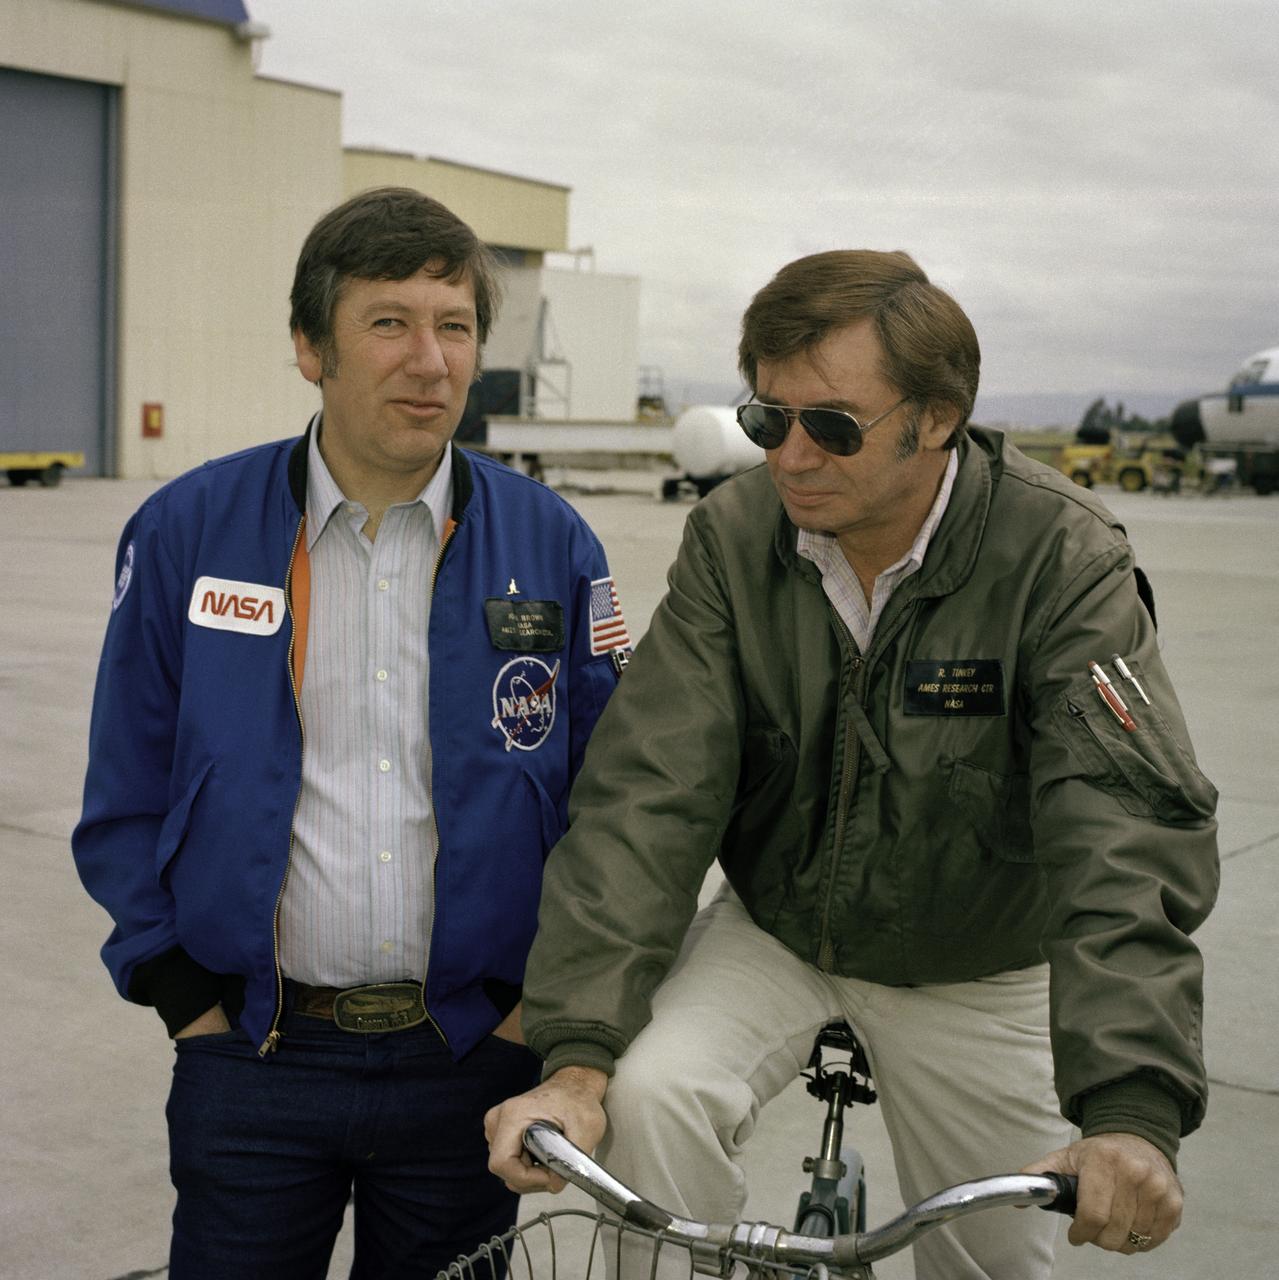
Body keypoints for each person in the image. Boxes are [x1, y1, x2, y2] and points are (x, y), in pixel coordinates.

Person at [486, 250, 1219, 1279]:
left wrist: (1130, 1110)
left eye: (830, 424)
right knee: (645, 1103)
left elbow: (1122, 828)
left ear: (937, 415)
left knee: (997, 1255)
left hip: (978, 956)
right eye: (764, 419)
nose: (789, 455)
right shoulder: (733, 539)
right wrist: (576, 1055)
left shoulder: (1058, 554)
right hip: (780, 926)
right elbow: (646, 792)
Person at [72, 186, 630, 1279]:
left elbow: (609, 806)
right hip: (253, 1058)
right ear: (308, 345)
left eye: (454, 325)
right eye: (389, 322)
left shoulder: (553, 542)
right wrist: (186, 1000)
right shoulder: (188, 531)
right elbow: (125, 784)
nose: (429, 360)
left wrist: (529, 1015)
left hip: (470, 1061)